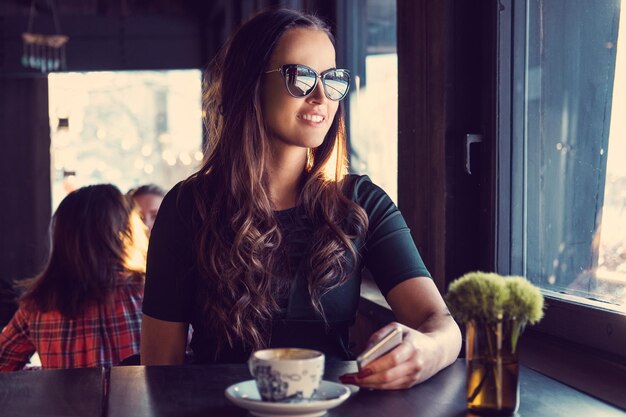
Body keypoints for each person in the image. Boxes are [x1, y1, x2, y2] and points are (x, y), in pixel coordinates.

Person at [141, 8, 461, 389]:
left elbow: (441, 324)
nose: (321, 96)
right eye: (301, 77)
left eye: (332, 79)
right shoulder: (186, 207)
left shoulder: (362, 203)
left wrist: (427, 351)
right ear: (251, 83)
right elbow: (161, 366)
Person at [0, 184, 148, 371]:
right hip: (137, 401)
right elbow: (180, 361)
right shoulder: (146, 293)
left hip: (63, 401)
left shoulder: (38, 304)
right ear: (124, 231)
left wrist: (42, 378)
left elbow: (3, 362)